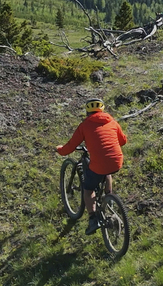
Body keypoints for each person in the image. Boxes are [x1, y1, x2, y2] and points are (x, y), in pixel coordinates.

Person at [55, 98, 128, 234]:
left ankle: (93, 218)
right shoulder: (112, 122)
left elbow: (71, 146)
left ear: (87, 111)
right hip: (116, 162)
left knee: (88, 189)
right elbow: (123, 141)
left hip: (100, 164)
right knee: (107, 172)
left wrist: (60, 150)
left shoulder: (84, 125)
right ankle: (109, 197)